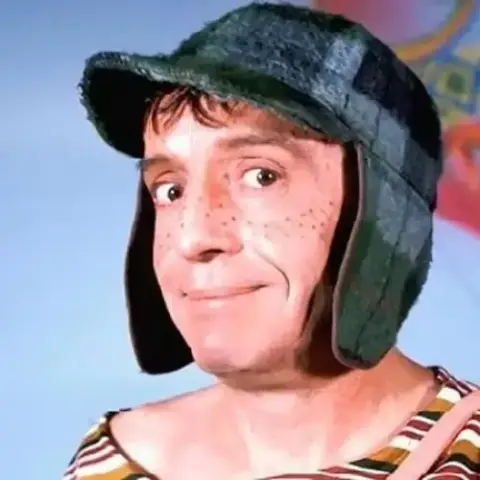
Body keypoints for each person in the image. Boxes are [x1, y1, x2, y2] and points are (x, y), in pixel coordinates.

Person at [64, 3, 479, 479]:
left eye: (262, 176)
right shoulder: (109, 460)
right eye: (171, 189)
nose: (194, 237)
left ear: (385, 213)